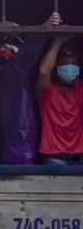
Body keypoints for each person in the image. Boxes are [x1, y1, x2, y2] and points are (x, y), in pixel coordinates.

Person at [0, 12, 60, 164]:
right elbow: (26, 56)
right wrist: (43, 29)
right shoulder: (6, 72)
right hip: (19, 144)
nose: (8, 49)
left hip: (10, 143)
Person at [34, 31, 83, 165]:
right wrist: (58, 41)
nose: (70, 66)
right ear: (56, 67)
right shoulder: (47, 91)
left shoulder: (80, 90)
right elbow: (44, 71)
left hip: (79, 157)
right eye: (65, 62)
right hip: (55, 158)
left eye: (74, 63)